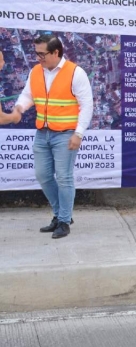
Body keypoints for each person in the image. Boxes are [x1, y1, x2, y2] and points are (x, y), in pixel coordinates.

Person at [6, 34, 93, 238]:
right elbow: (28, 94)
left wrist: (78, 133)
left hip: (66, 134)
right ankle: (61, 214)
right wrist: (19, 108)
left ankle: (63, 220)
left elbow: (87, 105)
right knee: (43, 175)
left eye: (42, 54)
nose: (38, 58)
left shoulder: (75, 73)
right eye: (36, 54)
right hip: (42, 133)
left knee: (64, 177)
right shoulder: (36, 71)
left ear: (56, 52)